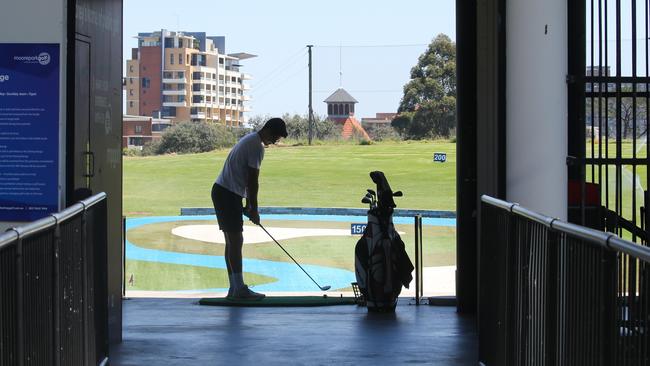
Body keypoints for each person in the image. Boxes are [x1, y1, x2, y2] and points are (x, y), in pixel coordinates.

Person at [211, 117, 288, 300]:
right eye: (276, 137)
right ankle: (239, 289)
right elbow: (253, 181)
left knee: (232, 242)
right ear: (268, 130)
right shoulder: (256, 146)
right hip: (227, 194)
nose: (275, 141)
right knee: (236, 241)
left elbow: (246, 178)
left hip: (225, 192)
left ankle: (234, 288)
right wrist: (254, 209)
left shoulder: (251, 140)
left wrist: (247, 205)